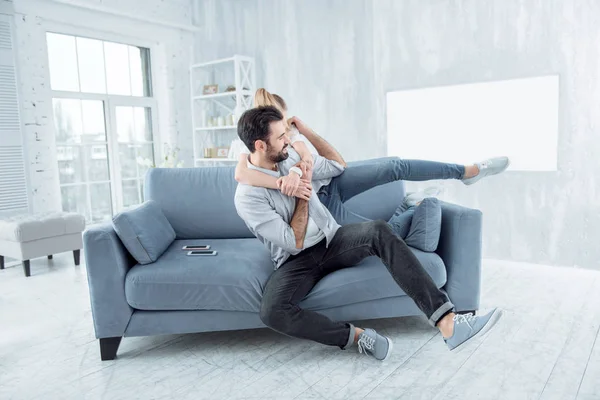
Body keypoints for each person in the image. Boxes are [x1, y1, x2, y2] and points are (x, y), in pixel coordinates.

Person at [234, 106, 503, 361]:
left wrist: (301, 163)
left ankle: (448, 323)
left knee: (378, 230)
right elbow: (294, 242)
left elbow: (338, 167)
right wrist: (304, 190)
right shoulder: (248, 197)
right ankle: (357, 337)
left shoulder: (289, 156)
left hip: (330, 239)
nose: (287, 140)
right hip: (296, 260)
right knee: (272, 313)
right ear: (260, 145)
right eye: (281, 136)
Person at [233, 89, 510, 251]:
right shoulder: (255, 157)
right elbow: (241, 174)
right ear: (261, 139)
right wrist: (284, 180)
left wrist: (303, 135)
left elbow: (338, 165)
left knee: (394, 165)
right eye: (282, 130)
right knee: (380, 234)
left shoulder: (291, 144)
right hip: (321, 207)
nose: (287, 135)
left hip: (331, 183)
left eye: (287, 128)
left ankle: (466, 171)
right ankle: (407, 208)